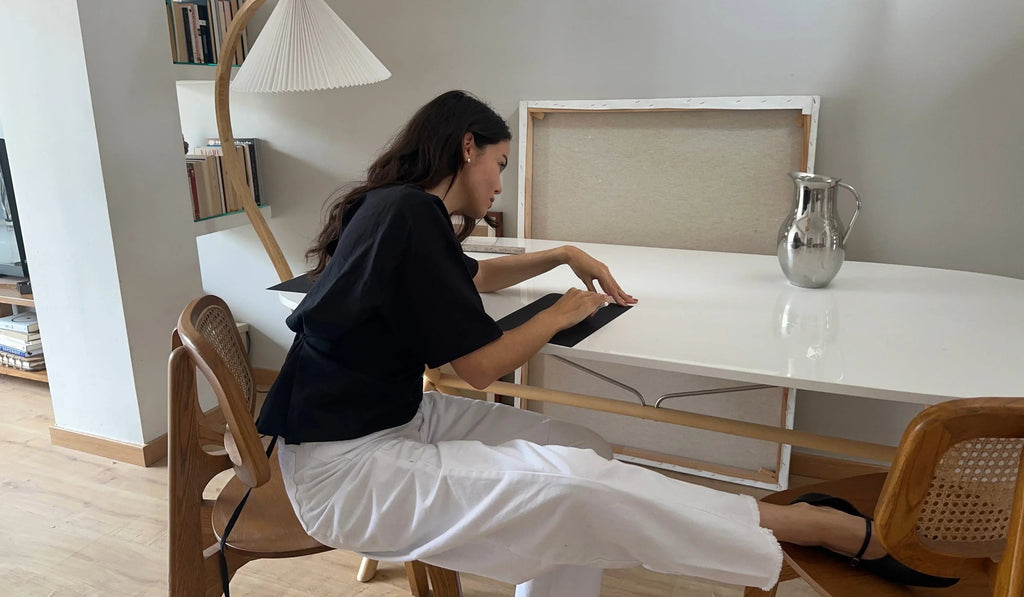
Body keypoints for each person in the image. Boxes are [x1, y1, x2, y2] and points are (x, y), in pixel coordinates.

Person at [256, 90, 956, 596]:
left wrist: (560, 253)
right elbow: (476, 368)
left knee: (581, 451)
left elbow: (472, 275)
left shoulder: (401, 211)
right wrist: (560, 313)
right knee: (575, 487)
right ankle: (806, 525)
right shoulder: (408, 212)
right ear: (466, 147)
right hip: (343, 469)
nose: (500, 181)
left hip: (390, 422)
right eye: (499, 161)